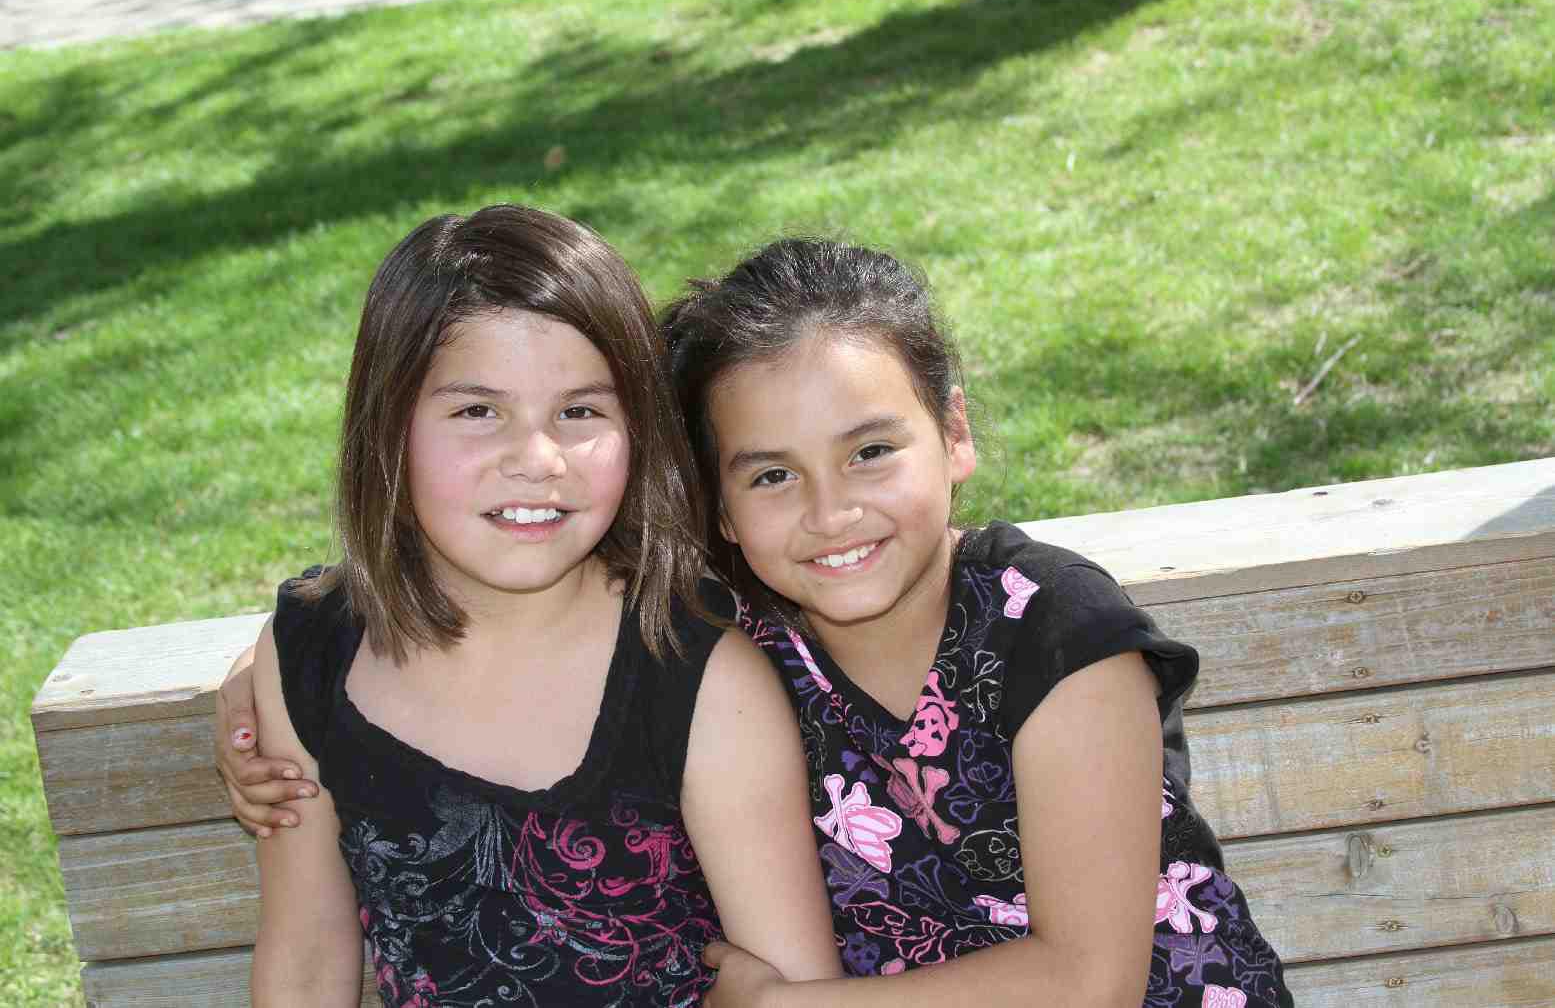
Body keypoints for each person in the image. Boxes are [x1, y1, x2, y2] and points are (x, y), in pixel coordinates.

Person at [221, 235, 1293, 1007]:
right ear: (717, 501)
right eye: (772, 473)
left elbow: (1087, 979)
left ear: (954, 430)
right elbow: (433, 625)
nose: (830, 512)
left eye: (872, 450)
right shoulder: (732, 628)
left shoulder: (1049, 631)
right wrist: (257, 694)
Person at [235, 206, 840, 1007]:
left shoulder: (695, 674)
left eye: (581, 411)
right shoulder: (315, 653)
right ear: (388, 427)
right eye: (476, 411)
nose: (535, 459)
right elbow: (307, 957)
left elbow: (794, 989)